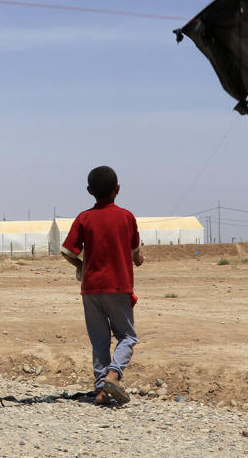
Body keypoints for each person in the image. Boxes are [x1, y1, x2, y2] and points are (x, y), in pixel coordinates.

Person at [61, 166, 143, 406]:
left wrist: (80, 265)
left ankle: (101, 389)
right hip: (118, 287)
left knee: (99, 340)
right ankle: (113, 374)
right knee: (127, 336)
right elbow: (135, 252)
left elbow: (66, 251)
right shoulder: (126, 216)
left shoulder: (84, 218)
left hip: (91, 289)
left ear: (89, 191)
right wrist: (138, 260)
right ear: (117, 190)